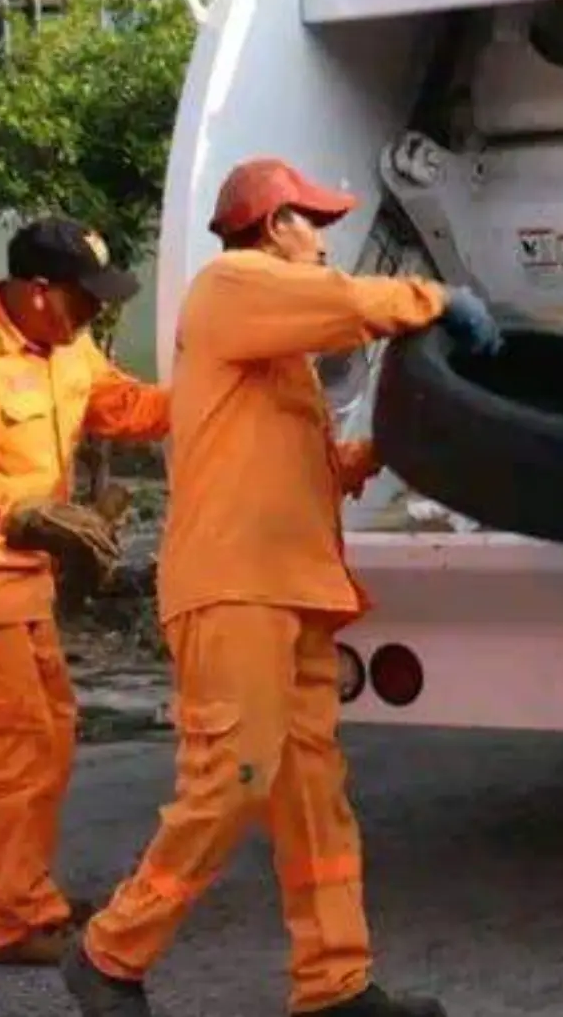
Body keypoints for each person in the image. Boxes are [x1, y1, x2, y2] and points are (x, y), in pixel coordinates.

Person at [62, 157, 500, 1017]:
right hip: (235, 589)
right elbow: (343, 305)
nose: (325, 240)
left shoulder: (273, 355)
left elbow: (304, 470)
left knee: (314, 805)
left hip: (289, 591)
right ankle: (111, 952)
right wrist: (435, 300)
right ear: (273, 226)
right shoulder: (231, 285)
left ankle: (334, 985)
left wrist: (382, 452)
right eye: (315, 222)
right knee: (234, 779)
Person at [0, 217, 171, 965]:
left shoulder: (67, 346)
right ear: (38, 290)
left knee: (40, 734)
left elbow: (126, 406)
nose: (96, 314)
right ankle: (18, 917)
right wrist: (26, 512)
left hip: (22, 579)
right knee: (11, 745)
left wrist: (214, 393)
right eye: (86, 300)